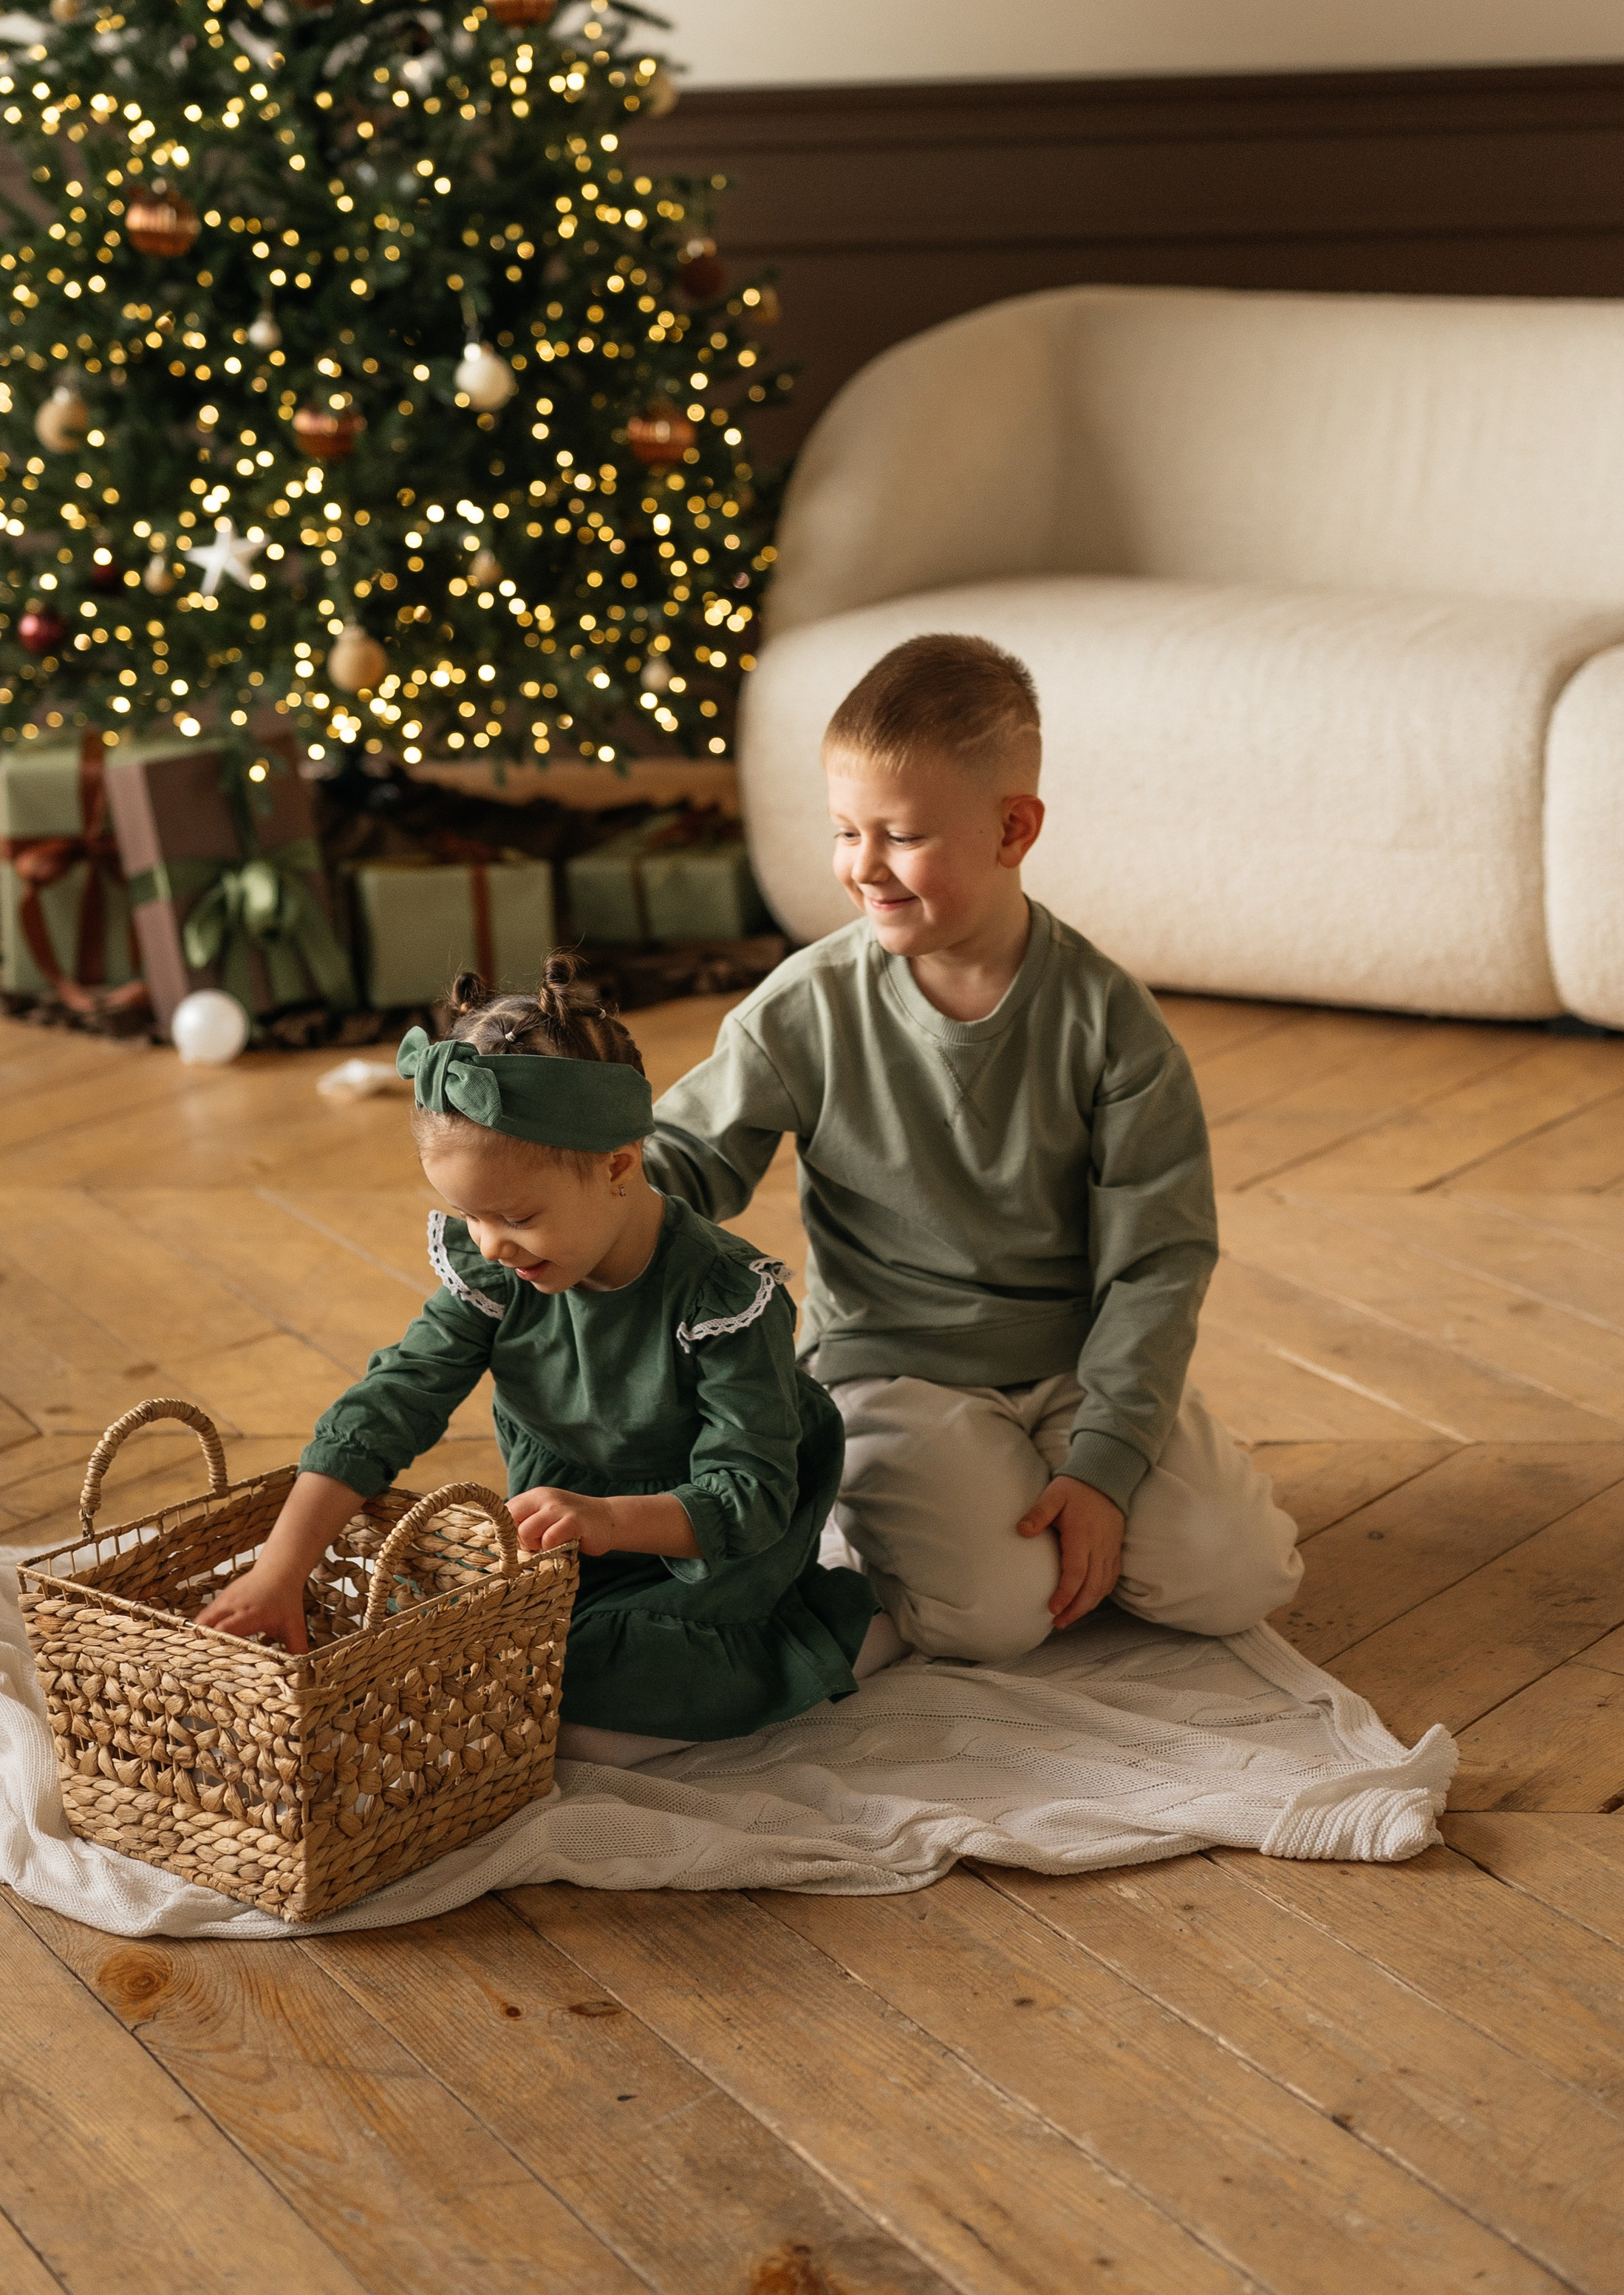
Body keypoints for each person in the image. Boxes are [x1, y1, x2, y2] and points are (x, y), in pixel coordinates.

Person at [642, 631, 1303, 1666]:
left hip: (1076, 1362)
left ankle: (1070, 1466)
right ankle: (881, 1511)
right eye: (844, 831)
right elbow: (681, 1161)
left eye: (900, 836)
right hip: (892, 1366)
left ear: (1013, 827)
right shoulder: (803, 1008)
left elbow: (1158, 1262)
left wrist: (1106, 1464)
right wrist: (576, 1179)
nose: (863, 867)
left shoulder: (1110, 1022)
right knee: (995, 1617)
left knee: (1236, 1578)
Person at [197, 955, 890, 1764]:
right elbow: (388, 1403)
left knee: (590, 1672)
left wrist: (605, 1521)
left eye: (517, 1214)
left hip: (702, 1545)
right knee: (436, 1628)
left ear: (617, 1167)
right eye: (468, 1215)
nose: (490, 1241)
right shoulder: (498, 1266)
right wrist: (282, 1567)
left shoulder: (724, 1300)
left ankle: (849, 1629)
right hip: (568, 1532)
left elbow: (748, 1497)